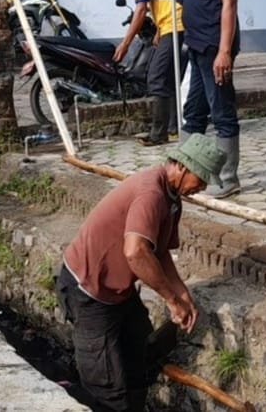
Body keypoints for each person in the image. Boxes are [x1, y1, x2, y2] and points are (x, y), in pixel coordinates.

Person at [56, 133, 226, 412]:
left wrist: (182, 293)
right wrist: (171, 300)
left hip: (118, 292)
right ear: (183, 167)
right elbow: (135, 252)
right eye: (202, 178)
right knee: (106, 387)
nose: (203, 187)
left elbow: (159, 253)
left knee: (141, 355)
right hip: (89, 291)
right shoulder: (151, 194)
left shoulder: (171, 198)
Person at [163, 0, 243, 198]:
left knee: (221, 111)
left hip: (214, 46)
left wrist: (224, 51)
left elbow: (229, 4)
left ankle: (228, 178)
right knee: (193, 111)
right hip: (197, 45)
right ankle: (179, 170)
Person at [98, 0, 186, 146]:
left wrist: (125, 44)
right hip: (168, 26)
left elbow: (140, 10)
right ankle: (172, 129)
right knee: (167, 79)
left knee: (155, 77)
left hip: (175, 25)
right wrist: (158, 31)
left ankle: (159, 134)